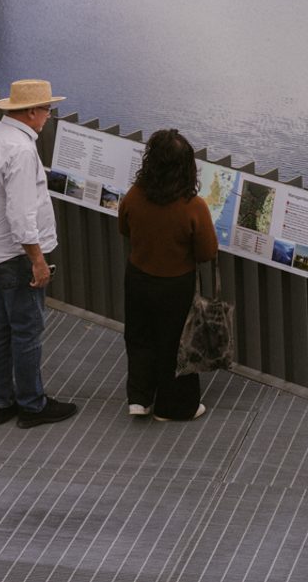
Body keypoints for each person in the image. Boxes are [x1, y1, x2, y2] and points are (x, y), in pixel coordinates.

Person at [0, 78, 78, 428]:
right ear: (31, 112)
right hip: (17, 256)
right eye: (47, 109)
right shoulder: (20, 149)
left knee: (0, 328)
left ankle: (2, 402)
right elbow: (20, 212)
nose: (49, 115)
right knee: (27, 329)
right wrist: (37, 260)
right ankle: (32, 404)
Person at [117, 128, 218, 421]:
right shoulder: (193, 206)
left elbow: (124, 228)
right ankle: (173, 407)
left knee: (139, 337)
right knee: (176, 344)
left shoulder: (135, 195)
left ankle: (140, 398)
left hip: (137, 277)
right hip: (175, 284)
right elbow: (206, 252)